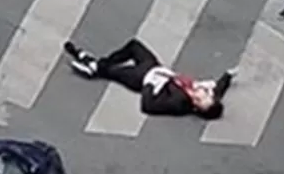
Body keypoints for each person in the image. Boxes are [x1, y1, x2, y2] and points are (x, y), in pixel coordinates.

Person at [64, 39, 236, 120]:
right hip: (155, 67)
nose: (202, 94)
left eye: (201, 100)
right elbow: (218, 90)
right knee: (134, 46)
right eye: (206, 96)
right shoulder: (203, 92)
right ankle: (96, 65)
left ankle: (91, 65)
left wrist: (149, 83)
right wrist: (228, 76)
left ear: (197, 108)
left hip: (141, 78)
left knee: (112, 72)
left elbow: (148, 106)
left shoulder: (179, 103)